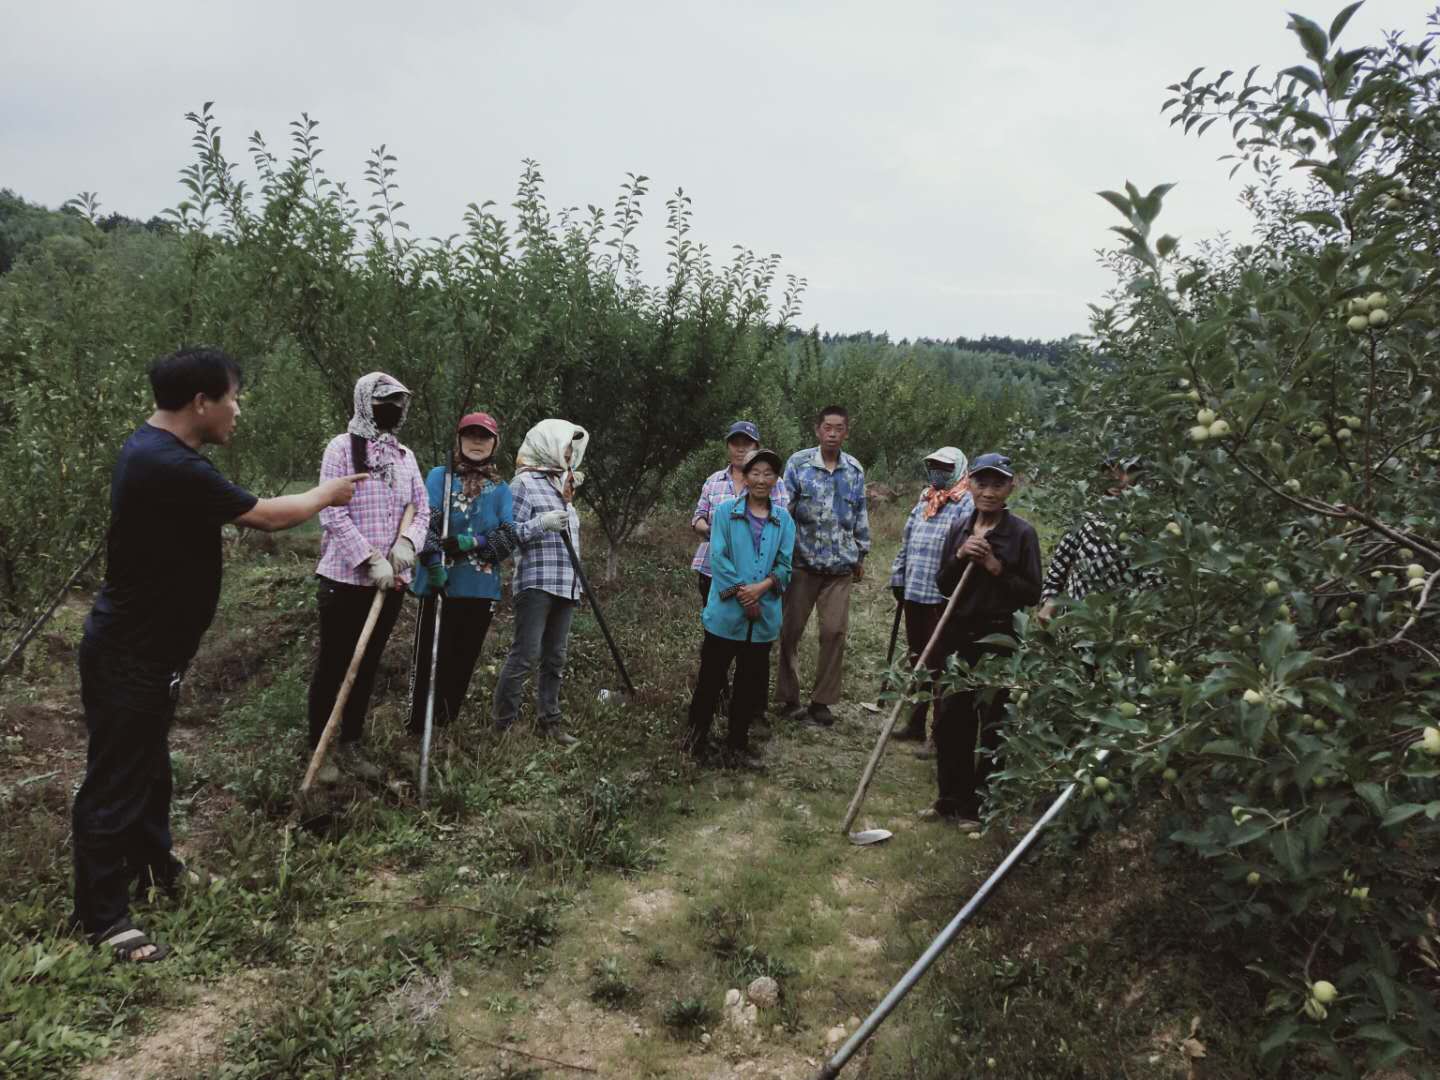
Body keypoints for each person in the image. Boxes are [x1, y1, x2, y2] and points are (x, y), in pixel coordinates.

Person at [73, 346, 365, 962]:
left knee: (150, 771)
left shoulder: (163, 454)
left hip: (151, 653)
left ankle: (156, 868)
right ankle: (102, 918)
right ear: (200, 403)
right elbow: (266, 516)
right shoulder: (168, 463)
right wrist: (326, 494)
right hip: (131, 653)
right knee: (117, 780)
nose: (237, 410)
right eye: (232, 397)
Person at [307, 373, 429, 784]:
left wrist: (407, 546)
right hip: (345, 581)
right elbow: (331, 512)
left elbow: (421, 509)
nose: (392, 409)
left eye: (398, 401)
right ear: (365, 402)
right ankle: (319, 750)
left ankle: (350, 745)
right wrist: (369, 559)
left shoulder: (404, 456)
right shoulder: (341, 449)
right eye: (384, 401)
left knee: (366, 665)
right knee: (335, 665)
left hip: (391, 582)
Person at [926, 453, 1042, 831]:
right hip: (956, 631)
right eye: (981, 483)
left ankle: (979, 806)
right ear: (970, 484)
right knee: (949, 718)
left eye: (997, 484)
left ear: (1010, 487)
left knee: (991, 720)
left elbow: (1030, 593)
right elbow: (943, 584)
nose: (988, 492)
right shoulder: (959, 527)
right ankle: (949, 799)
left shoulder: (1021, 534)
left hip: (998, 635)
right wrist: (961, 555)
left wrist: (995, 566)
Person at [407, 412, 520, 736]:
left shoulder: (500, 488)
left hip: (480, 587)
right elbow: (424, 522)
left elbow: (509, 533)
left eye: (484, 436)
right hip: (438, 583)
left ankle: (444, 725)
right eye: (470, 434)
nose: (476, 441)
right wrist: (432, 562)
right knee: (429, 657)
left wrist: (478, 541)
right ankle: (417, 728)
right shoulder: (439, 477)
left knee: (462, 659)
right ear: (458, 439)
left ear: (494, 443)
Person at [683, 449, 794, 768]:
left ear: (776, 480)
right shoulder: (726, 513)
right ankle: (695, 741)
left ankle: (737, 743)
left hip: (762, 619)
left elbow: (785, 565)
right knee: (710, 678)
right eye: (755, 473)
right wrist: (745, 596)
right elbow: (719, 559)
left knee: (748, 684)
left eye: (768, 474)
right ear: (744, 477)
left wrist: (761, 590)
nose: (761, 479)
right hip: (726, 614)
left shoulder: (783, 519)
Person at [491, 419, 588, 745]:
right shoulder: (523, 484)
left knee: (555, 657)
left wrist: (580, 581)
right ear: (547, 444)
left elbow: (572, 539)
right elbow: (509, 536)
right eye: (565, 446)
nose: (569, 453)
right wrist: (540, 524)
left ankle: (550, 721)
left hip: (566, 584)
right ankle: (503, 725)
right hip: (536, 583)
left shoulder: (565, 485)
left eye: (573, 448)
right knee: (525, 654)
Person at [777, 405, 871, 727]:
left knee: (834, 632)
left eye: (839, 428)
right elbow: (782, 509)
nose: (832, 433)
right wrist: (778, 555)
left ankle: (821, 702)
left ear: (846, 432)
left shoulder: (855, 469)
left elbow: (860, 513)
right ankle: (789, 698)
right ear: (817, 430)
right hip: (801, 564)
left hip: (839, 568)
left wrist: (861, 553)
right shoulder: (798, 464)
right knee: (790, 632)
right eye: (827, 427)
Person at [888, 447, 973, 744]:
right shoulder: (925, 498)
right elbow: (906, 540)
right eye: (934, 465)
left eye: (945, 467)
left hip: (942, 597)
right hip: (915, 591)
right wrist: (898, 577)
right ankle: (915, 722)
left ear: (958, 469)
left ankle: (939, 733)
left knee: (939, 663)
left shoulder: (964, 503)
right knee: (917, 659)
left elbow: (962, 551)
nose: (938, 471)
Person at [1038, 454, 1157, 623]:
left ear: (1137, 475)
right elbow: (1059, 565)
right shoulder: (1087, 519)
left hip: (1122, 625)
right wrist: (1049, 604)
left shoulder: (1145, 524)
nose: (1115, 477)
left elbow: (1153, 583)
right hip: (1078, 622)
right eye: (1109, 471)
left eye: (1123, 471)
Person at [690, 420, 790, 605]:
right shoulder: (713, 481)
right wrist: (712, 531)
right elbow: (699, 516)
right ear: (728, 447)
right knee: (716, 623)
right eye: (736, 444)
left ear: (756, 447)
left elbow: (780, 526)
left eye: (747, 444)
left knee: (752, 626)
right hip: (713, 570)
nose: (741, 449)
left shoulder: (772, 483)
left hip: (756, 575)